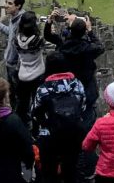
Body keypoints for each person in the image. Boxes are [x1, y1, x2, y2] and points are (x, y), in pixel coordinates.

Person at [32, 52, 87, 183]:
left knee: (49, 171)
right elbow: (83, 107)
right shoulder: (77, 84)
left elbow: (35, 113)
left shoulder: (43, 89)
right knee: (71, 169)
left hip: (50, 135)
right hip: (73, 133)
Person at [43, 8, 105, 123]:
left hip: (68, 86)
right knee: (87, 114)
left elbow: (48, 36)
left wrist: (49, 21)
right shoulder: (88, 48)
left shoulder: (63, 44)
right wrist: (90, 30)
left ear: (71, 30)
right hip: (86, 86)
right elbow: (100, 47)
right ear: (84, 31)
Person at [0, 0, 25, 99]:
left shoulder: (21, 22)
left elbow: (22, 47)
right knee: (12, 91)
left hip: (15, 66)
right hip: (10, 63)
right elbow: (9, 32)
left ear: (18, 6)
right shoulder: (14, 18)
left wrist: (17, 66)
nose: (6, 5)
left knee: (17, 93)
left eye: (10, 3)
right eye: (6, 2)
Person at [15, 10, 47, 125]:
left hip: (23, 75)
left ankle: (22, 125)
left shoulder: (17, 39)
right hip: (37, 74)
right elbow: (45, 46)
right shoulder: (37, 40)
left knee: (22, 104)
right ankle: (36, 126)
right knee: (37, 103)